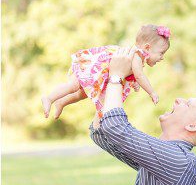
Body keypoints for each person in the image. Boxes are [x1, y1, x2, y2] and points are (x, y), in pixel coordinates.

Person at [90, 47, 196, 185]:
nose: (178, 99)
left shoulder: (180, 160)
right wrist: (113, 86)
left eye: (188, 104)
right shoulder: (163, 158)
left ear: (193, 126)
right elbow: (102, 132)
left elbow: (115, 127)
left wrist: (116, 77)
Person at [41, 24, 170, 121]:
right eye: (161, 53)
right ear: (147, 47)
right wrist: (151, 92)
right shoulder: (137, 54)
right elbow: (139, 75)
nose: (162, 57)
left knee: (81, 94)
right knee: (73, 86)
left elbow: (134, 75)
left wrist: (134, 82)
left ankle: (61, 102)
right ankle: (49, 98)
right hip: (93, 68)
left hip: (99, 76)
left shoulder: (138, 58)